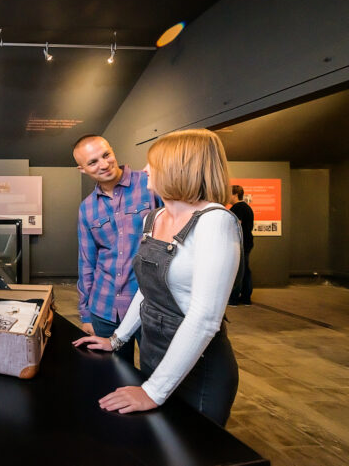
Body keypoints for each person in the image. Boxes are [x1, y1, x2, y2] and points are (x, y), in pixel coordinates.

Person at [73, 129, 242, 427]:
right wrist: (117, 339)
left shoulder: (215, 221)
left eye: (153, 163)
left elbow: (204, 319)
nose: (145, 169)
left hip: (198, 364)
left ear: (177, 169)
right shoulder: (155, 218)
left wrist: (152, 391)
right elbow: (147, 288)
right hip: (155, 355)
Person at [73, 135, 161, 365]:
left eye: (106, 155)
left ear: (112, 150)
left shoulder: (150, 184)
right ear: (82, 169)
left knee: (155, 373)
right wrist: (85, 313)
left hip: (150, 306)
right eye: (92, 162)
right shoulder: (87, 208)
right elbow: (87, 262)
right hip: (105, 307)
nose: (104, 164)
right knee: (111, 375)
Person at [228, 185, 254, 306]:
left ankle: (234, 299)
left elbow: (236, 226)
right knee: (245, 270)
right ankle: (246, 298)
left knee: (237, 270)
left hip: (239, 244)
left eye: (229, 194)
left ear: (235, 194)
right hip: (246, 242)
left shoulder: (238, 208)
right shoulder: (246, 207)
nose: (227, 197)